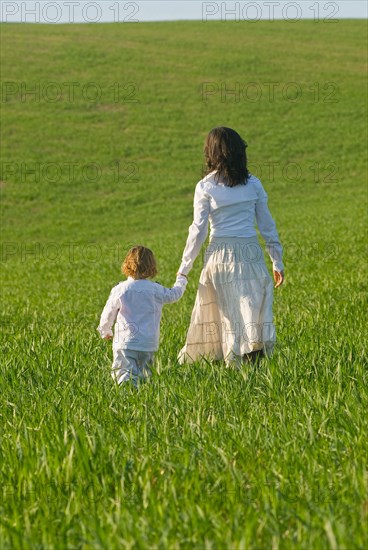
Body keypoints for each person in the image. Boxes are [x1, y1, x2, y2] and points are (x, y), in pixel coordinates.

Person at [177, 127, 284, 367]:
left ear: (212, 153)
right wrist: (277, 260)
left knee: (225, 312)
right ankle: (251, 361)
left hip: (220, 256)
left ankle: (229, 361)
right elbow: (267, 225)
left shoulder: (205, 187)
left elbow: (198, 230)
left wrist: (185, 267)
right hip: (251, 254)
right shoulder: (253, 184)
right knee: (250, 306)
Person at [98, 245, 187, 386]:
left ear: (127, 264)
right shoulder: (155, 289)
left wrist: (105, 331)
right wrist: (181, 279)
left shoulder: (120, 289)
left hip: (125, 342)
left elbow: (108, 313)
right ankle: (143, 400)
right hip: (148, 343)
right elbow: (174, 295)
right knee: (146, 375)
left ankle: (126, 399)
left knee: (123, 374)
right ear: (151, 266)